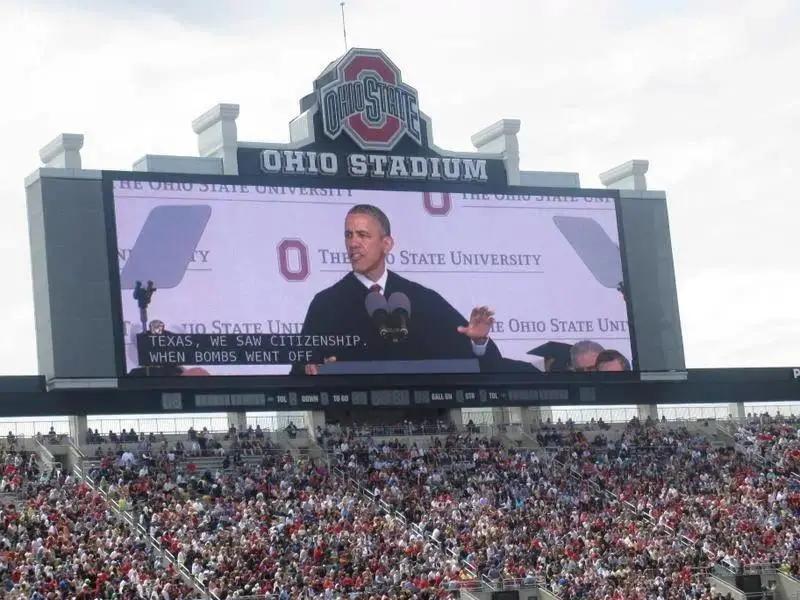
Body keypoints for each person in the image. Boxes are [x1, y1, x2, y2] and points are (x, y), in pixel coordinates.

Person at [291, 204, 502, 375]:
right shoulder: (326, 304)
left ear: (387, 244)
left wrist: (478, 341)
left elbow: (475, 362)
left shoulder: (422, 299)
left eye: (363, 235)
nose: (353, 243)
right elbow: (300, 371)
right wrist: (311, 370)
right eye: (349, 235)